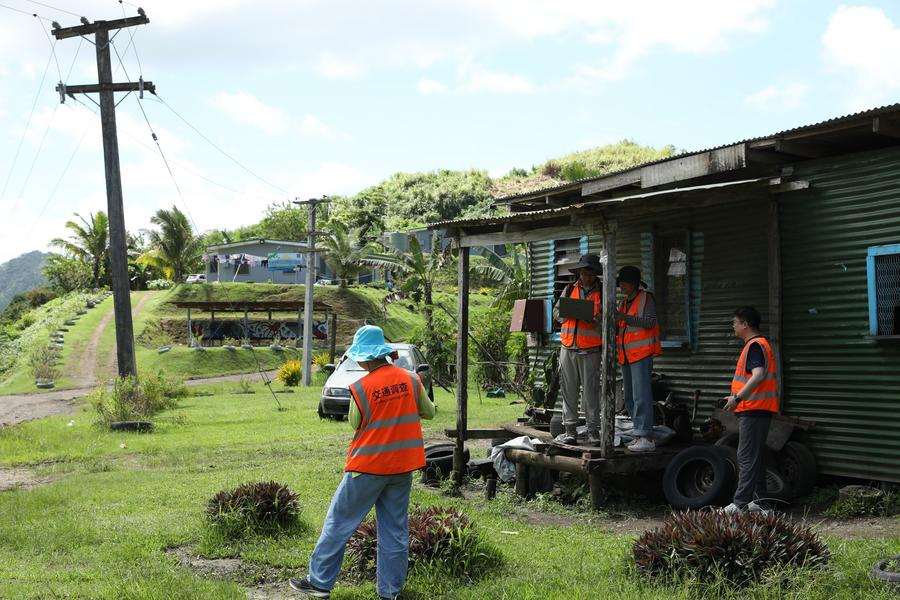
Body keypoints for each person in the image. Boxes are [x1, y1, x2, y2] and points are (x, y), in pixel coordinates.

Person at [290, 325, 435, 600]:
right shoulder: (412, 379)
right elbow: (428, 412)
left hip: (366, 468)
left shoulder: (361, 387)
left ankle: (319, 583)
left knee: (339, 522)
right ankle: (390, 592)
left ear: (365, 357)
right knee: (394, 529)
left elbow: (355, 423)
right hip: (402, 467)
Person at [723, 306, 779, 515]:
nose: (733, 327)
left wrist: (737, 398)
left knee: (746, 457)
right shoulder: (758, 345)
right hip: (758, 409)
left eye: (735, 323)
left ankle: (740, 504)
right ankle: (762, 503)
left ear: (745, 324)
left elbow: (758, 375)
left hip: (754, 409)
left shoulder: (754, 346)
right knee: (755, 457)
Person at [552, 254, 603, 446]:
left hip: (590, 350)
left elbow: (608, 323)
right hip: (568, 347)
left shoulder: (603, 293)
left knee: (591, 392)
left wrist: (594, 320)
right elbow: (556, 312)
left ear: (595, 273)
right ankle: (570, 430)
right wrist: (567, 313)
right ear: (579, 272)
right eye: (583, 272)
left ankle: (593, 431)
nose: (586, 276)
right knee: (569, 390)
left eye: (590, 273)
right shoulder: (569, 288)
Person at [615, 266, 662, 453]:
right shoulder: (623, 303)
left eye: (624, 283)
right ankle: (638, 433)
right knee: (629, 397)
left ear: (634, 283)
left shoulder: (646, 298)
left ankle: (646, 436)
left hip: (641, 354)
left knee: (641, 395)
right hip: (626, 355)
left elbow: (650, 322)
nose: (621, 286)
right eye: (620, 283)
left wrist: (625, 318)